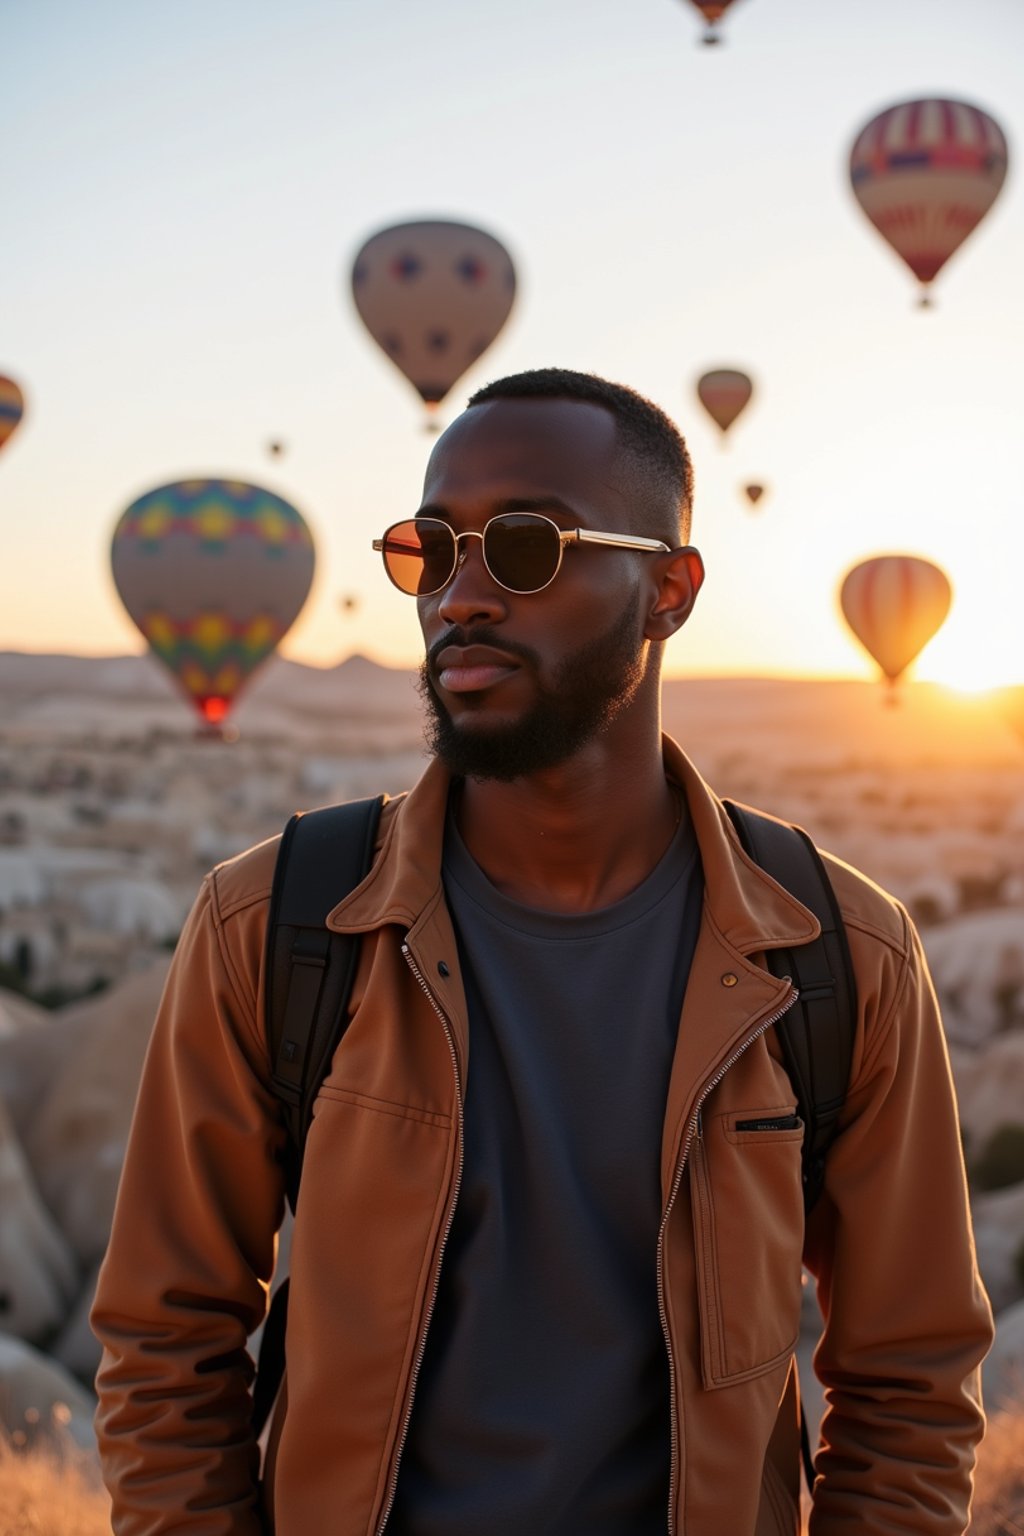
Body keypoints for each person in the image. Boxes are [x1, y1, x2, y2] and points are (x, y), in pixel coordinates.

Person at [92, 368, 992, 1536]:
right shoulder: (279, 925)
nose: (460, 595)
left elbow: (910, 1385)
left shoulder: (838, 953)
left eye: (524, 545)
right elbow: (166, 1342)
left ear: (667, 590)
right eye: (432, 547)